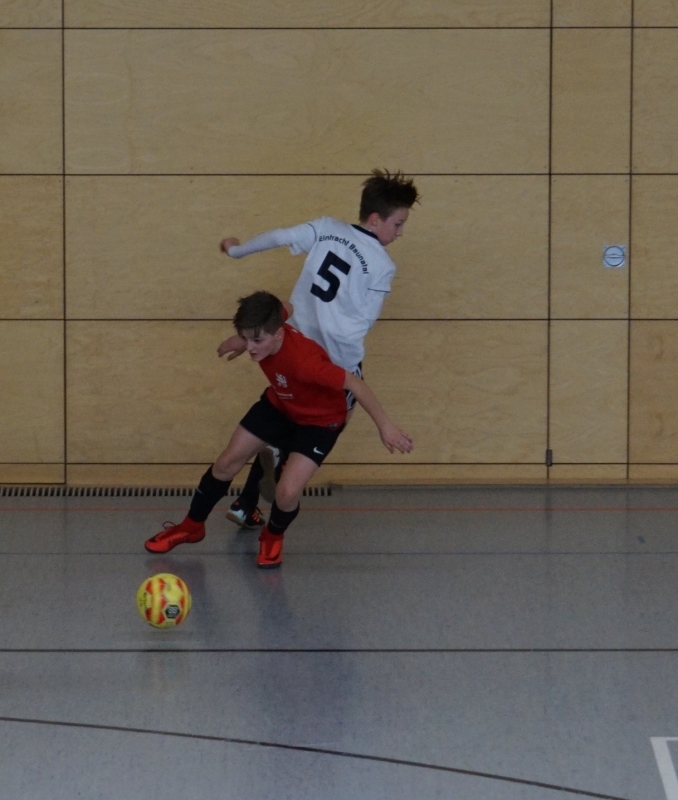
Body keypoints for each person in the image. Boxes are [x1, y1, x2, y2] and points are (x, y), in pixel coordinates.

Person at [144, 291, 413, 569]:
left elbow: (355, 384)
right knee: (225, 464)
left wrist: (385, 426)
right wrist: (242, 340)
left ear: (279, 334)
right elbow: (287, 306)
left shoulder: (305, 363)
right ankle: (192, 527)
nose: (251, 348)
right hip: (281, 405)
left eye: (257, 341)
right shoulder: (272, 323)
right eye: (246, 338)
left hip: (320, 422)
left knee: (286, 493)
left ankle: (272, 535)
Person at [218, 169, 420, 528]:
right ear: (376, 219)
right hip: (333, 362)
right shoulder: (382, 265)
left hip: (289, 348)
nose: (400, 232)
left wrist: (236, 251)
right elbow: (365, 321)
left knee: (287, 411)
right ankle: (275, 467)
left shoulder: (327, 227)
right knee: (324, 426)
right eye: (398, 224)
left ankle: (246, 502)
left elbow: (279, 237)